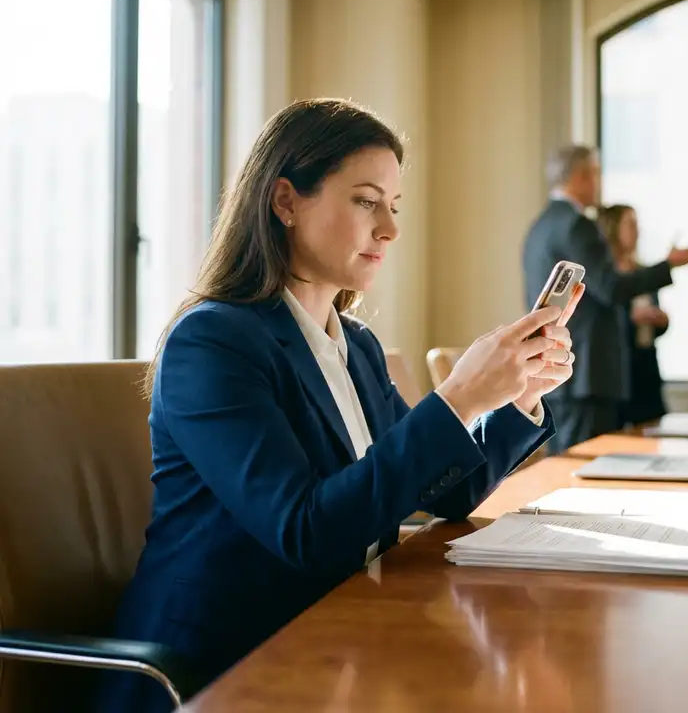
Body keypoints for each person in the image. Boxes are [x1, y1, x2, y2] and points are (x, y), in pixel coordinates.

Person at [96, 99, 582, 712]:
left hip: (338, 637)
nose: (390, 228)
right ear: (285, 202)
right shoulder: (212, 343)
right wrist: (457, 395)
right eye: (365, 201)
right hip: (222, 667)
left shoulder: (354, 344)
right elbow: (305, 532)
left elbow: (445, 495)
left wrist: (520, 394)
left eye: (394, 207)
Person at [522, 145, 688, 453]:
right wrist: (668, 265)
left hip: (556, 371)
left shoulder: (539, 227)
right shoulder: (578, 225)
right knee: (587, 473)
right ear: (581, 177)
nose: (600, 182)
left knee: (565, 470)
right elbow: (611, 288)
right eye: (596, 173)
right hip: (587, 373)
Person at [596, 204, 669, 426]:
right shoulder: (607, 278)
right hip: (620, 371)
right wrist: (632, 319)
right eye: (631, 224)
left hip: (647, 369)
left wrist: (661, 321)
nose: (637, 230)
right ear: (613, 228)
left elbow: (654, 325)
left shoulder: (643, 274)